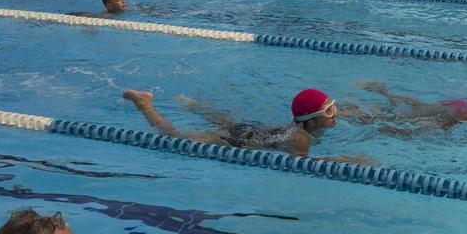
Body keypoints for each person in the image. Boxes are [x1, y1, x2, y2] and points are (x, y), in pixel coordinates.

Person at [122, 88, 370, 163]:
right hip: (236, 142)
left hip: (253, 131)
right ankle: (145, 104)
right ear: (312, 120)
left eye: (334, 107)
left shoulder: (304, 127)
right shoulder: (300, 139)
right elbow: (302, 164)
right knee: (175, 136)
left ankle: (188, 101)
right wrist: (346, 161)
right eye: (329, 111)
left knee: (224, 119)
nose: (335, 114)